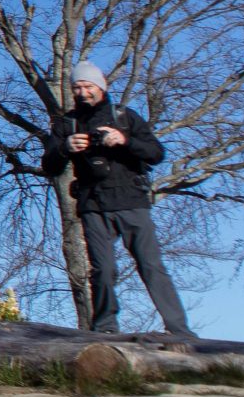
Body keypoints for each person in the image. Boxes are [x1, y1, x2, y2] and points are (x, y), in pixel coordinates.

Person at [40, 61, 191, 337]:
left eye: (88, 86)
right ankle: (105, 328)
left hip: (132, 201)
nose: (82, 92)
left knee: (151, 266)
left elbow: (156, 154)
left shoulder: (125, 117)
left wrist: (124, 141)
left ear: (102, 86)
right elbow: (49, 166)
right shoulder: (66, 125)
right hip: (93, 205)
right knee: (103, 270)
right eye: (77, 87)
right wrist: (64, 148)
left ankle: (179, 329)